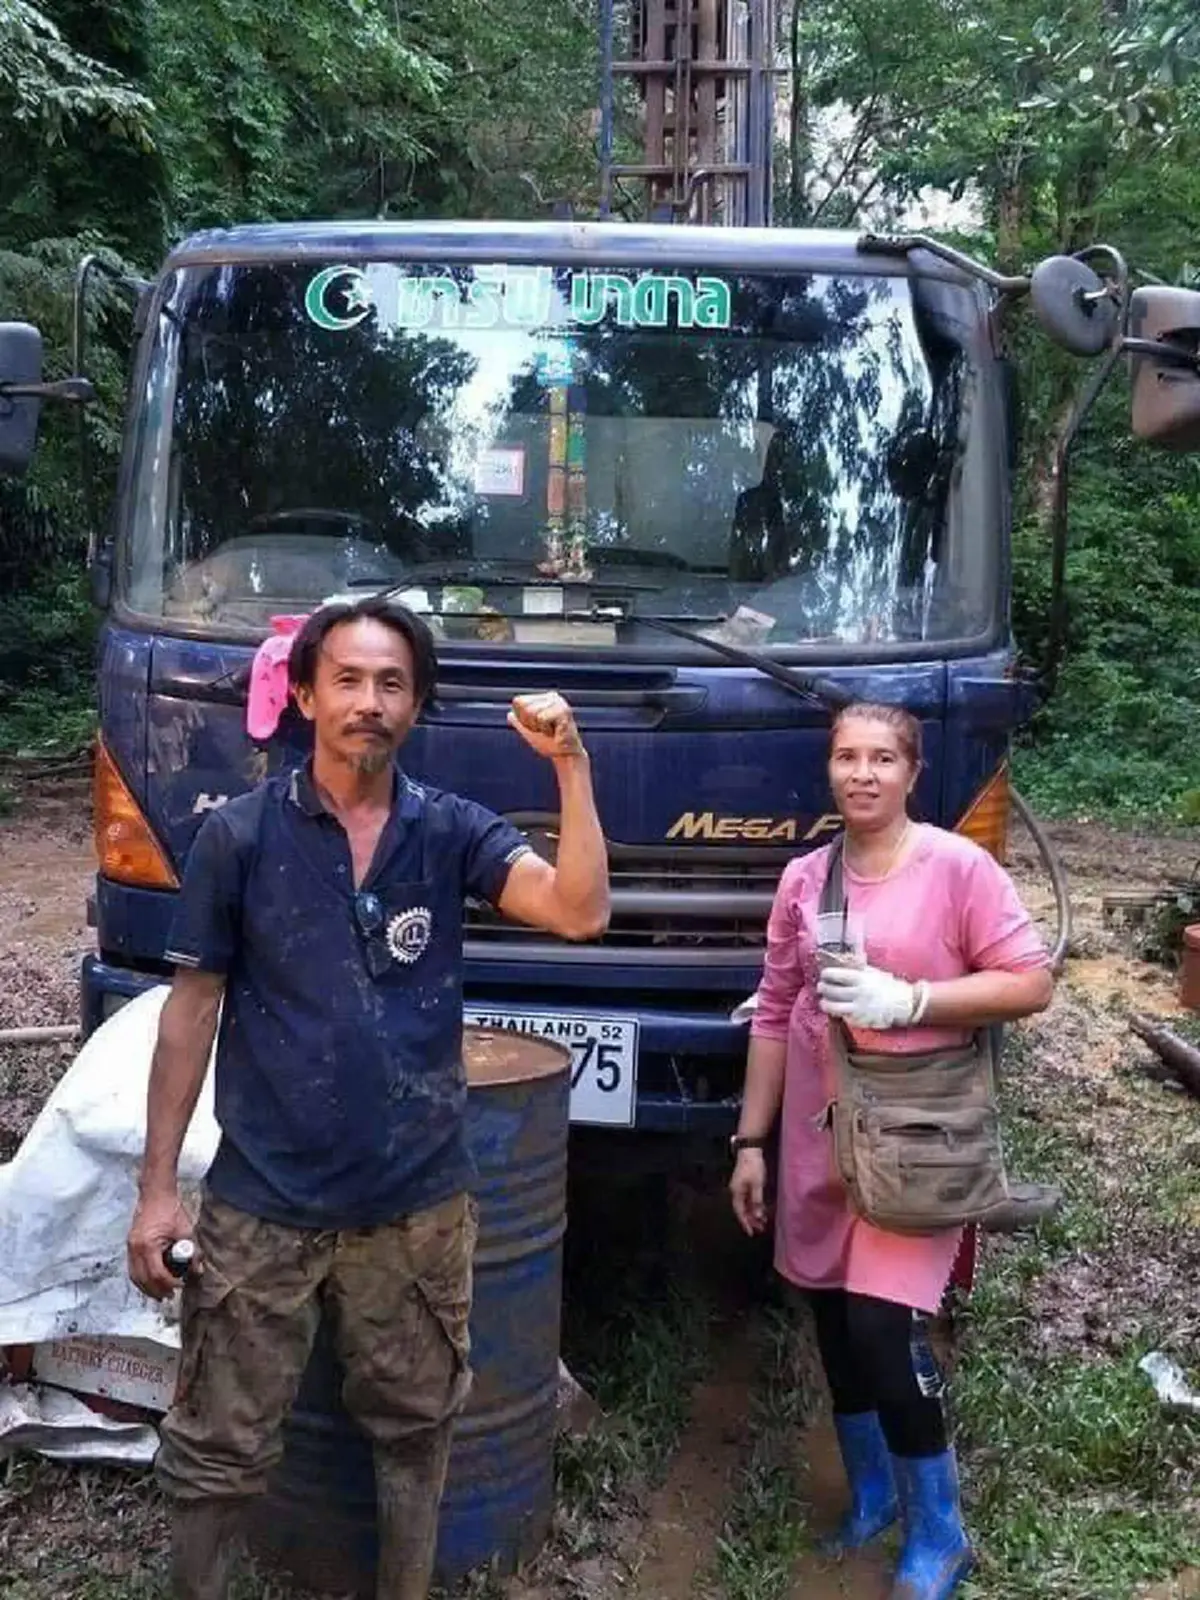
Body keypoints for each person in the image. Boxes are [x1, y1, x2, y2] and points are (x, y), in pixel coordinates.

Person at [126, 596, 610, 1600]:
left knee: (416, 1426)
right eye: (347, 679)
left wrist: (571, 764)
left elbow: (577, 910)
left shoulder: (450, 832)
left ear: (416, 705)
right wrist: (158, 1187)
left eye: (392, 683)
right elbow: (191, 1012)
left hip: (417, 1203)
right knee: (218, 1442)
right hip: (263, 1203)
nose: (369, 702)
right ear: (304, 695)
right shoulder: (243, 837)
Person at [729, 702, 1052, 1600]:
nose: (862, 773)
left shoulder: (957, 868)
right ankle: (871, 1493)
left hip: (917, 1137)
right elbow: (772, 1004)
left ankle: (940, 1530)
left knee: (881, 1326)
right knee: (833, 1318)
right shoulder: (806, 877)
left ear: (913, 772)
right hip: (816, 1132)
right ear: (829, 771)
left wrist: (911, 1001)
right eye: (846, 757)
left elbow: (1029, 983)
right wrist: (750, 1140)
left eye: (882, 758)